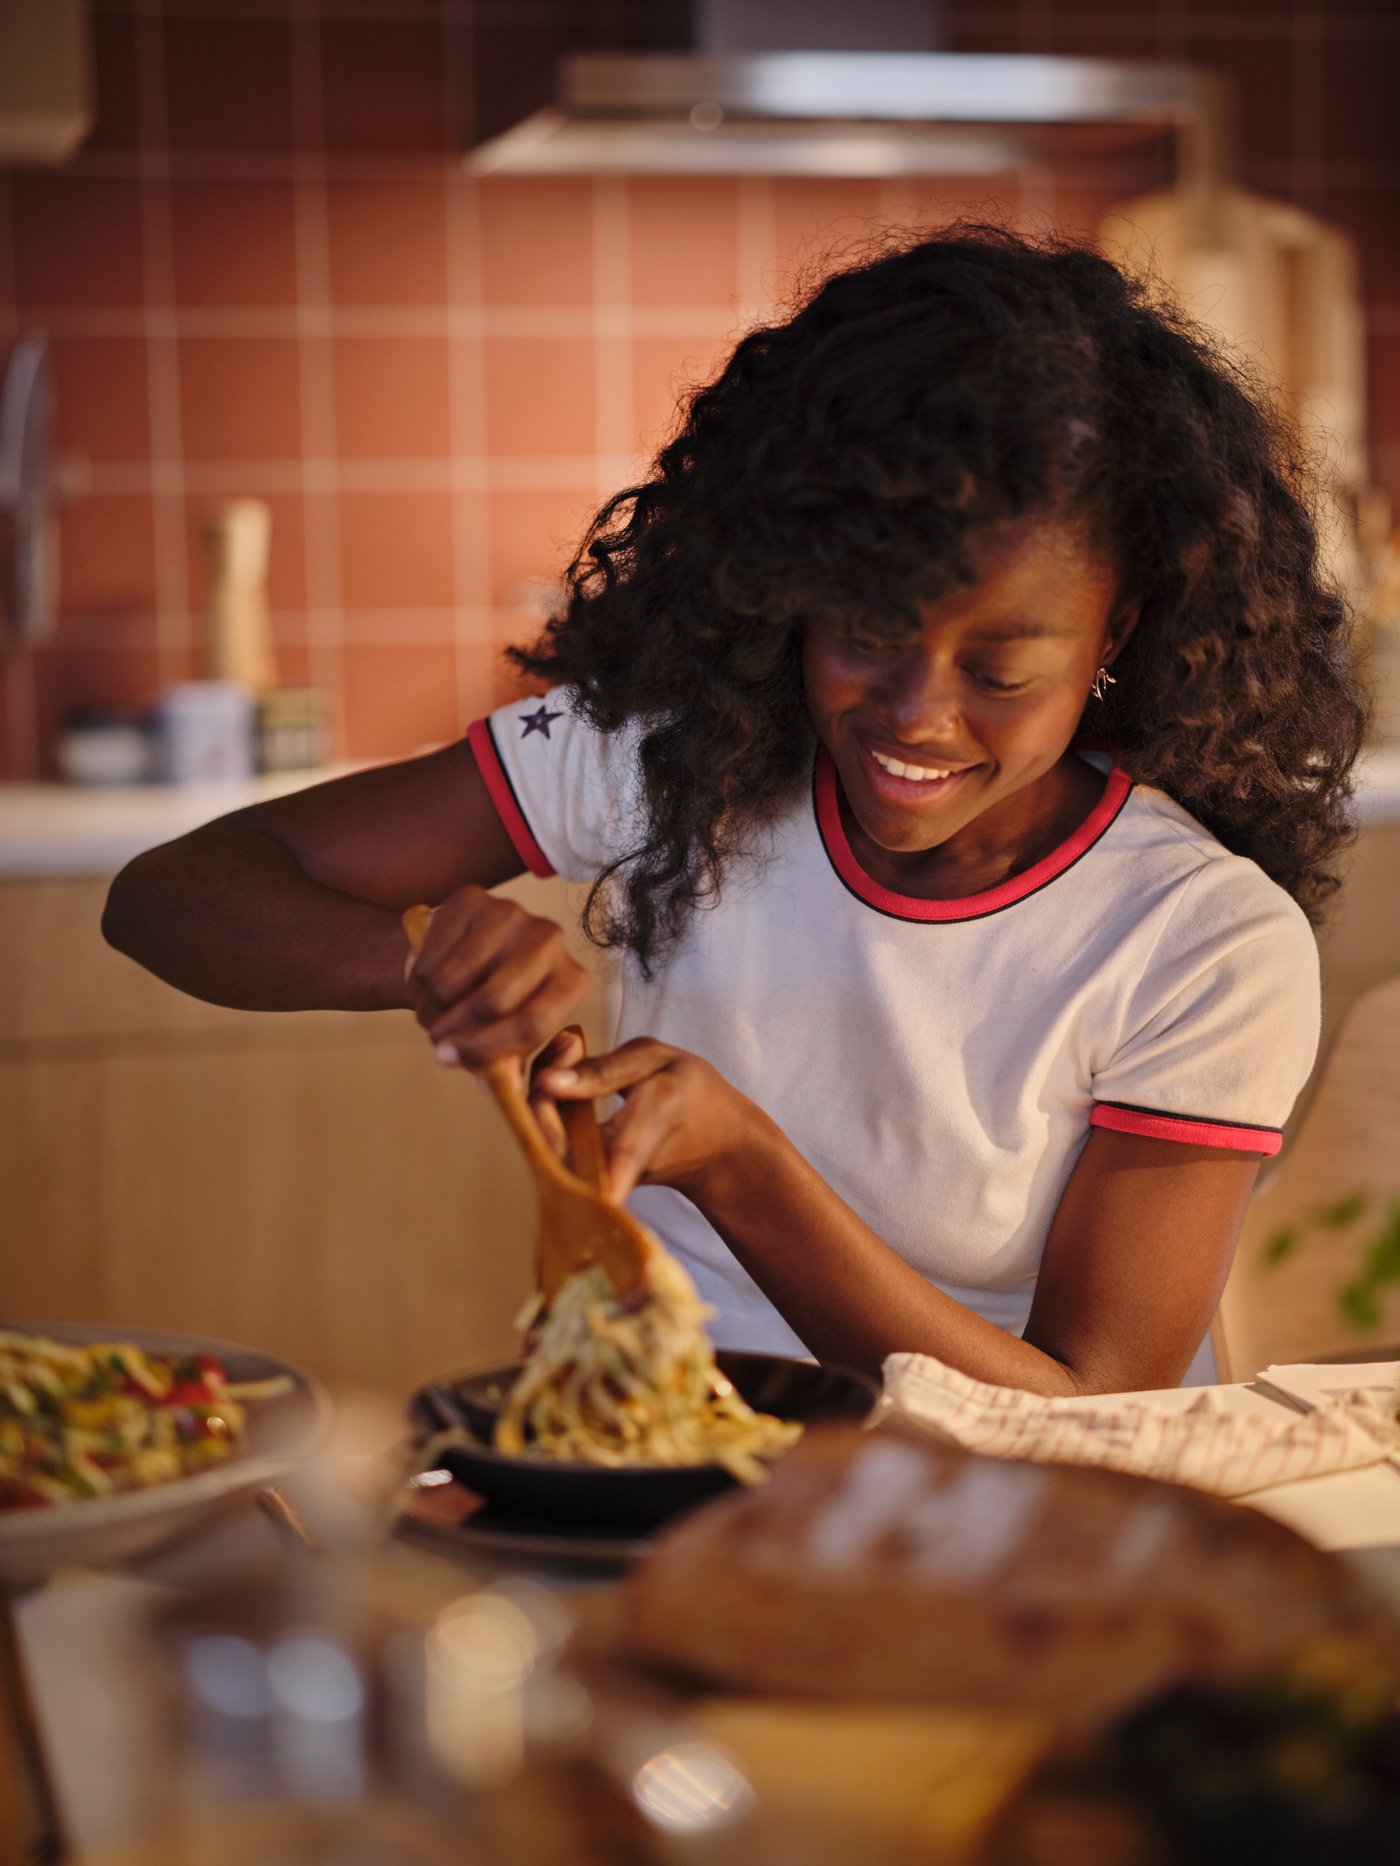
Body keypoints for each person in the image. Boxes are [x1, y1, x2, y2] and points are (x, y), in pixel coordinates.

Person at [103, 226, 1367, 1394]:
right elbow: (165, 897)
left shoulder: (1200, 938)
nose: (914, 716)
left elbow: (1092, 1412)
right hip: (667, 1449)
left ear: (1115, 634)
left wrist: (742, 1166)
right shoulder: (679, 757)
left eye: (996, 671)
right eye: (865, 632)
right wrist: (421, 958)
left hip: (1024, 1539)